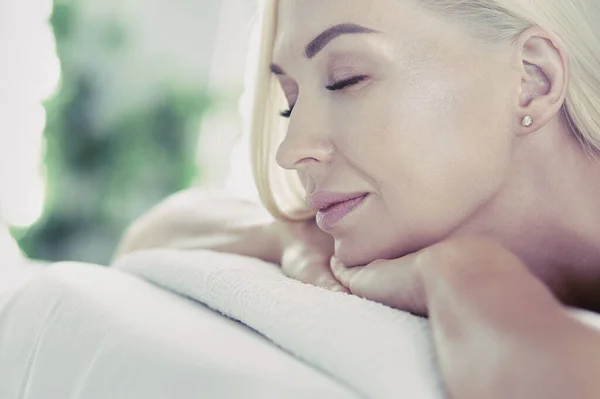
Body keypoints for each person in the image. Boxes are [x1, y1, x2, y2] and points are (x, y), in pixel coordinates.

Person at [116, 0, 600, 397]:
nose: (290, 151)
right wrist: (293, 232)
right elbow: (152, 233)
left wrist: (470, 275)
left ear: (534, 79)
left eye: (346, 78)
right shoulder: (398, 223)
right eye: (291, 101)